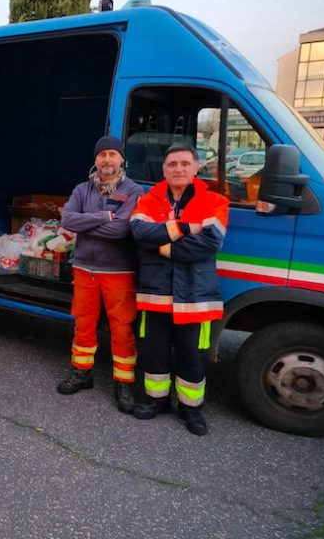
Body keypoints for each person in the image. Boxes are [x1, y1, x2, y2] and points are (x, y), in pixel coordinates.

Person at [130, 143, 229, 435]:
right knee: (153, 350)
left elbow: (211, 242)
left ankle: (191, 408)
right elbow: (138, 232)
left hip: (196, 298)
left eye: (185, 163)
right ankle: (155, 400)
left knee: (193, 354)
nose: (178, 169)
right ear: (164, 169)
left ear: (196, 167)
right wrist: (186, 228)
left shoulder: (214, 201)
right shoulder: (150, 198)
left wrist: (164, 248)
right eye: (172, 164)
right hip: (155, 292)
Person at [56, 135, 143, 414]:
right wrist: (105, 217)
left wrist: (87, 222)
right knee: (83, 323)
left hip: (118, 271)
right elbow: (68, 220)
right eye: (102, 154)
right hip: (84, 269)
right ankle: (82, 374)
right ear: (95, 160)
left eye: (112, 154)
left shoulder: (133, 191)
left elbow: (121, 231)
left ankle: (124, 382)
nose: (107, 159)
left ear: (122, 159)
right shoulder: (82, 189)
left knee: (121, 327)